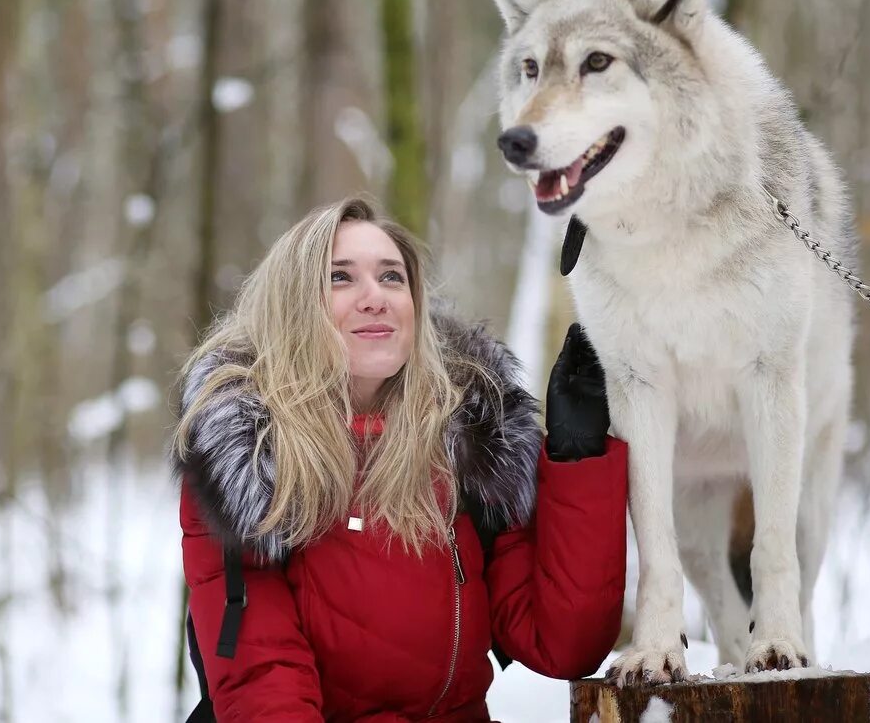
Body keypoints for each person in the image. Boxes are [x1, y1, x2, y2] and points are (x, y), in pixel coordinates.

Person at [172, 197, 627, 721]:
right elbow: (263, 683)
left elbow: (566, 642)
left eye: (392, 278)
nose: (376, 298)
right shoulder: (250, 459)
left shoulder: (468, 442)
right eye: (341, 278)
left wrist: (578, 456)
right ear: (296, 304)